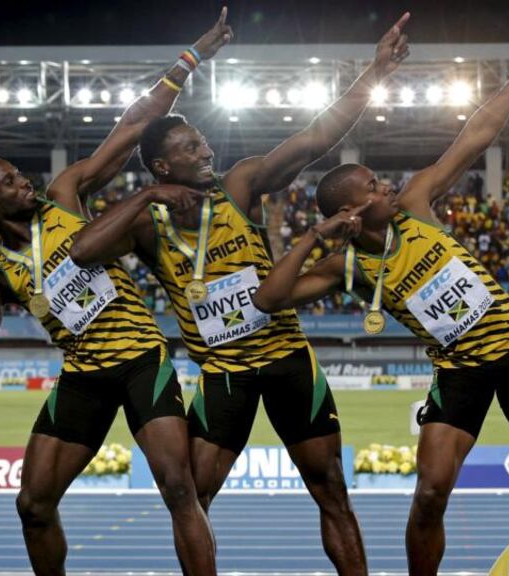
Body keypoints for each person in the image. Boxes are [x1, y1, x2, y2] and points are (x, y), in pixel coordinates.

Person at [69, 14, 412, 573]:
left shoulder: (240, 184)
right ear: (162, 166)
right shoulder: (146, 223)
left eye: (203, 142)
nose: (206, 151)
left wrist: (374, 74)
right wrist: (146, 197)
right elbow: (82, 251)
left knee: (331, 488)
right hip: (223, 375)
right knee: (193, 497)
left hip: (287, 360)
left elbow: (315, 138)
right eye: (191, 148)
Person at [252, 26, 509, 576]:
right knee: (430, 492)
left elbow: (474, 137)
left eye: (380, 181)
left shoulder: (415, 204)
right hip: (458, 372)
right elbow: (270, 298)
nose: (386, 186)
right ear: (350, 212)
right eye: (372, 186)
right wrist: (314, 237)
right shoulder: (346, 267)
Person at [0, 11, 232, 575]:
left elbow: (134, 123)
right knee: (32, 505)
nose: (23, 180)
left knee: (180, 488)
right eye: (9, 181)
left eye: (18, 172)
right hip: (83, 377)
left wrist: (191, 58)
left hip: (140, 360)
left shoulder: (65, 195)